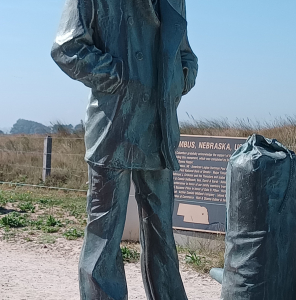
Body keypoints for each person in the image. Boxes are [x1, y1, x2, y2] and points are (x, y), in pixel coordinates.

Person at [51, 0, 198, 298]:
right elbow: (66, 48)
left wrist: (183, 76)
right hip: (114, 124)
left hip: (160, 127)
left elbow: (185, 52)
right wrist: (120, 76)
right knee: (103, 234)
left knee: (162, 235)